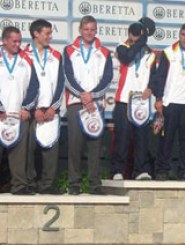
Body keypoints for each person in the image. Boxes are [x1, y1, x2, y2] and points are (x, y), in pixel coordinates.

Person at [64, 15, 113, 195]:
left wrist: (91, 96)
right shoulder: (69, 50)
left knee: (94, 145)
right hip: (75, 103)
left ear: (96, 30)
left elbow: (107, 79)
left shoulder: (104, 52)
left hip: (96, 104)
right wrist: (83, 96)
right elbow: (67, 77)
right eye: (86, 29)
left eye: (93, 29)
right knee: (74, 145)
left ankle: (94, 183)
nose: (89, 33)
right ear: (80, 30)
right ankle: (74, 184)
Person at [153, 23, 185, 181]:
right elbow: (160, 77)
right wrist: (159, 98)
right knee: (166, 139)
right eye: (183, 34)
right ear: (179, 35)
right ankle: (162, 170)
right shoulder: (168, 53)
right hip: (170, 102)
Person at [111, 21, 156, 181]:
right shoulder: (122, 47)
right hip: (124, 99)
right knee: (122, 137)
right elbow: (129, 57)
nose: (135, 36)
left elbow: (154, 76)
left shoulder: (150, 54)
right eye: (134, 33)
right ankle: (118, 170)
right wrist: (140, 40)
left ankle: (140, 170)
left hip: (141, 101)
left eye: (139, 33)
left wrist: (150, 88)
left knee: (141, 137)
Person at [24, 19, 64, 194]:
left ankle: (47, 184)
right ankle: (29, 183)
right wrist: (33, 109)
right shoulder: (23, 55)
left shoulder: (56, 55)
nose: (50, 36)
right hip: (31, 111)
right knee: (27, 150)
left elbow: (61, 84)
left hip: (50, 111)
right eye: (47, 33)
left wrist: (53, 108)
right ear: (36, 34)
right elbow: (22, 85)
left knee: (51, 150)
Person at [0, 26, 39, 194]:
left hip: (18, 114)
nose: (18, 44)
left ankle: (19, 186)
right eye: (14, 41)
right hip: (0, 114)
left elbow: (34, 87)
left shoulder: (27, 59)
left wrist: (26, 108)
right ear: (4, 41)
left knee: (19, 153)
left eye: (19, 41)